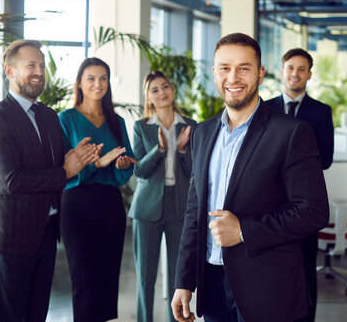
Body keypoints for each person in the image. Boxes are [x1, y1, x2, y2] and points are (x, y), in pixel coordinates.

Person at [170, 32, 329, 322]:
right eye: (225, 68)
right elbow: (195, 211)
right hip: (213, 284)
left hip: (268, 287)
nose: (233, 77)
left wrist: (244, 230)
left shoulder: (291, 132)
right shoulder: (203, 133)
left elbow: (314, 212)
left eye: (244, 68)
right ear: (215, 73)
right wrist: (184, 280)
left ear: (261, 74)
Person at [0, 39, 100, 322]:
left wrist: (79, 158)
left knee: (37, 315)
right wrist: (66, 171)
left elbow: (58, 164)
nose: (39, 72)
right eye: (31, 65)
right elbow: (13, 180)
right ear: (9, 71)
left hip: (46, 233)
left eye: (42, 66)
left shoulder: (47, 116)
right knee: (9, 316)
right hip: (12, 236)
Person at [58, 57, 137, 322]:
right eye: (91, 78)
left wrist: (120, 164)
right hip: (77, 205)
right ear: (79, 83)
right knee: (83, 278)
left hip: (110, 205)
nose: (98, 84)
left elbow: (124, 170)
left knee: (106, 277)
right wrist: (96, 163)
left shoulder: (117, 121)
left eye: (103, 78)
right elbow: (63, 170)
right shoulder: (65, 119)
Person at [266, 47, 334, 322]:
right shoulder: (265, 108)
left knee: (305, 265)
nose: (295, 73)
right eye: (290, 68)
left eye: (301, 69)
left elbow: (326, 158)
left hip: (304, 201)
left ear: (309, 74)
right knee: (270, 265)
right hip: (267, 200)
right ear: (282, 72)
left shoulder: (321, 111)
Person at [128, 71, 196, 322]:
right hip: (146, 208)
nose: (161, 92)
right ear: (148, 97)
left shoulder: (190, 125)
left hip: (180, 205)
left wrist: (180, 150)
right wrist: (159, 150)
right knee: (145, 276)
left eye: (165, 86)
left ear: (172, 90)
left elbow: (195, 171)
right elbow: (139, 170)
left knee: (179, 276)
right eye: (154, 89)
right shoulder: (141, 127)